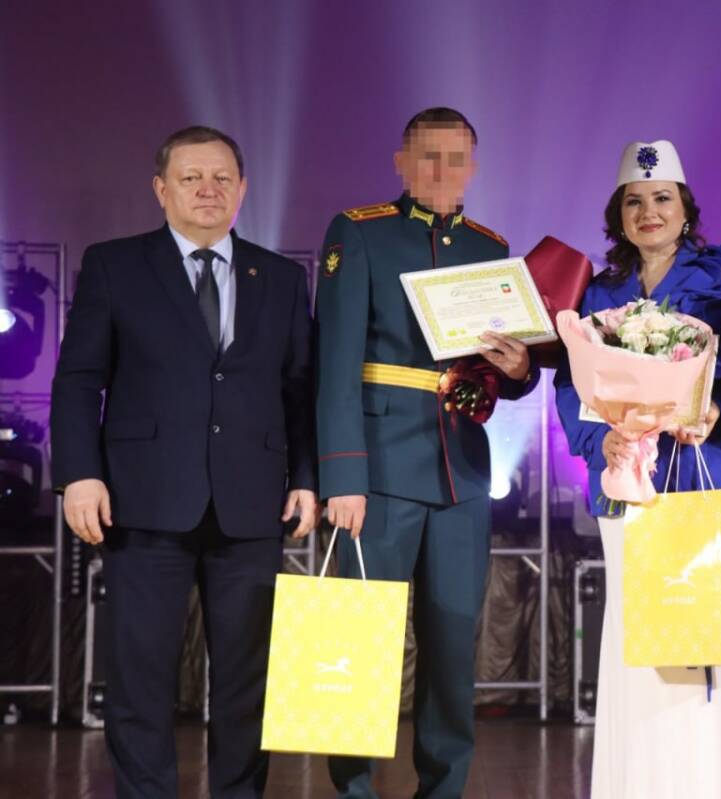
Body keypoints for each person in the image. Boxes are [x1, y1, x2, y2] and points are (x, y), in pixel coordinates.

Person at [50, 125, 317, 798]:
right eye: (191, 177)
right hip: (142, 501)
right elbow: (79, 378)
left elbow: (301, 391)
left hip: (252, 505)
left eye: (222, 178)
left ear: (242, 189)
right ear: (161, 189)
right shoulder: (114, 265)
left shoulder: (281, 278)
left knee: (248, 683)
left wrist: (309, 479)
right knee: (139, 680)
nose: (208, 190)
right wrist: (79, 473)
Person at [316, 107, 538, 799]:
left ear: (474, 167)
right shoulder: (360, 232)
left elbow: (503, 368)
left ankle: (443, 789)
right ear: (401, 163)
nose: (442, 171)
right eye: (428, 157)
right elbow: (334, 363)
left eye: (456, 158)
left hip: (460, 472)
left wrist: (520, 368)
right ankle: (353, 789)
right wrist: (342, 474)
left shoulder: (490, 247)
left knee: (451, 646)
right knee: (360, 644)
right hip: (377, 470)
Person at [555, 140, 721, 798]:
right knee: (640, 650)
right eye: (634, 201)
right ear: (618, 215)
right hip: (632, 486)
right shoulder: (598, 292)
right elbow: (572, 386)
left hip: (717, 479)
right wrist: (601, 443)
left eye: (662, 198)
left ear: (685, 209)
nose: (648, 211)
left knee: (716, 649)